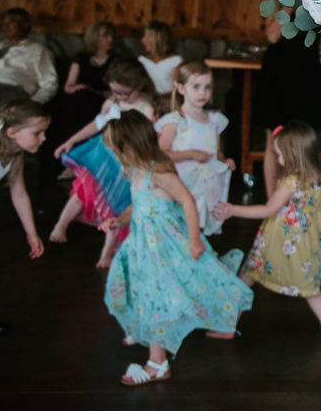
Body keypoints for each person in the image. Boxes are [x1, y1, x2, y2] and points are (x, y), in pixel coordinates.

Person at [99, 110, 253, 386]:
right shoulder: (136, 170)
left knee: (155, 298)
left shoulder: (160, 171)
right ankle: (147, 332)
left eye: (115, 151)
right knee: (141, 292)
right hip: (141, 245)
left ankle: (157, 364)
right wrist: (119, 220)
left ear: (129, 148)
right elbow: (139, 203)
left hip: (164, 246)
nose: (115, 157)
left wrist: (194, 240)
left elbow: (187, 202)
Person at [214, 121, 321, 337]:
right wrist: (319, 238)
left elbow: (268, 209)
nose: (279, 160)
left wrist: (233, 210)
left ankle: (228, 327)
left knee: (248, 275)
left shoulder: (291, 182)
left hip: (277, 241)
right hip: (308, 242)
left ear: (293, 155)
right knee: (310, 288)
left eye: (280, 154)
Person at [51, 58, 156, 267]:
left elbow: (146, 138)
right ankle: (61, 224)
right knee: (82, 189)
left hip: (125, 161)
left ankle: (107, 251)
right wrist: (71, 141)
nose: (120, 97)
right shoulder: (112, 103)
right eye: (116, 92)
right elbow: (96, 124)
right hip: (103, 155)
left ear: (140, 85)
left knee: (116, 205)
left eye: (126, 93)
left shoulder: (146, 108)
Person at [256, 0, 321, 198]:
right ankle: (272, 200)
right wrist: (293, 1)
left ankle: (305, 198)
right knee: (273, 139)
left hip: (306, 72)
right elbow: (271, 35)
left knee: (306, 138)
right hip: (280, 72)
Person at [0, 99, 49, 334]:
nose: (43, 138)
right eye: (37, 133)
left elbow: (19, 193)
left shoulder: (15, 155)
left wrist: (31, 233)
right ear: (12, 132)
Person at [156, 61, 234, 236]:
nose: (203, 92)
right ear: (181, 88)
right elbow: (162, 153)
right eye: (196, 86)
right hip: (184, 183)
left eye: (207, 87)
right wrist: (190, 154)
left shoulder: (215, 120)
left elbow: (216, 152)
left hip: (207, 185)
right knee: (182, 225)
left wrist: (224, 161)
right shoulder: (175, 120)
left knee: (200, 226)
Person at [47, 20, 116, 179]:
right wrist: (80, 88)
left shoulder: (115, 60)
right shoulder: (81, 58)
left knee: (85, 100)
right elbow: (68, 86)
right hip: (81, 102)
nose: (110, 40)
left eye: (112, 36)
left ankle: (80, 161)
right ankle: (72, 160)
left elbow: (114, 90)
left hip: (102, 101)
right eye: (106, 36)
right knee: (79, 99)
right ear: (95, 37)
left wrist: (94, 91)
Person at [0, 8, 59, 129]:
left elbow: (50, 84)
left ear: (26, 25)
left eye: (10, 22)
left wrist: (31, 104)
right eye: (2, 24)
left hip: (10, 91)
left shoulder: (39, 50)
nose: (4, 27)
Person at [138, 20, 183, 96]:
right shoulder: (142, 60)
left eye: (146, 36)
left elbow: (177, 90)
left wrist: (160, 98)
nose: (142, 40)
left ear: (157, 39)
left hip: (167, 103)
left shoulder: (175, 61)